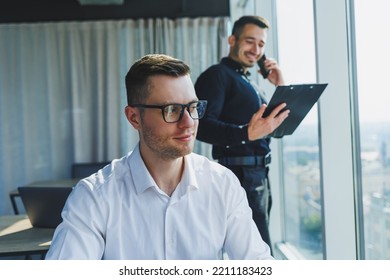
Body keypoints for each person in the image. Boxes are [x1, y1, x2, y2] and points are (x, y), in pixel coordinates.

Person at [45, 54, 273, 260]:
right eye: (172, 110)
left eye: (193, 107)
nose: (189, 123)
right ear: (134, 118)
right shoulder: (94, 197)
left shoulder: (223, 184)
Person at [194, 15, 290, 252]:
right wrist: (247, 133)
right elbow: (200, 126)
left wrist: (281, 86)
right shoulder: (216, 75)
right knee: (257, 253)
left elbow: (279, 128)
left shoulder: (250, 82)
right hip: (239, 175)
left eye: (261, 44)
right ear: (232, 39)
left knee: (259, 248)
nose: (256, 49)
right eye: (249, 41)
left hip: (258, 175)